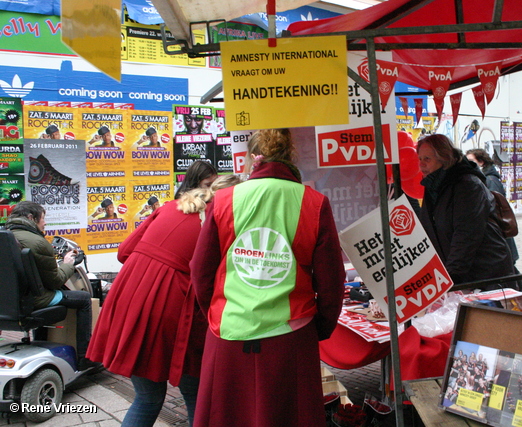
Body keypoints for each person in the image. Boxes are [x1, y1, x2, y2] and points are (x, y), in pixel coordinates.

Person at [190, 128, 345, 427]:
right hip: (291, 337)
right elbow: (330, 281)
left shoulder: (224, 200)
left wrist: (216, 312)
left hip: (229, 333)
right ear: (291, 156)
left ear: (251, 159)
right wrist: (321, 328)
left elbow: (201, 270)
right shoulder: (312, 202)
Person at [86, 174, 242, 427]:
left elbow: (124, 251)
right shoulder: (220, 223)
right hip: (171, 304)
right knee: (196, 392)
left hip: (127, 296)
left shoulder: (171, 206)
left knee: (147, 397)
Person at [5, 201, 98, 371]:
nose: (45, 223)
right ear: (31, 218)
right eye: (43, 218)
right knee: (84, 299)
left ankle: (40, 343)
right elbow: (55, 281)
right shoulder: (38, 242)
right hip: (32, 301)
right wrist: (68, 263)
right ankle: (85, 357)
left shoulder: (6, 236)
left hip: (7, 302)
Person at [417, 134, 514, 289]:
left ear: (444, 158)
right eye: (420, 159)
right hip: (459, 275)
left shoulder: (468, 184)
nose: (421, 165)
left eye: (427, 159)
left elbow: (466, 235)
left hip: (485, 275)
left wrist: (451, 280)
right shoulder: (433, 186)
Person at [466, 148, 521, 286]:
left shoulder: (489, 180)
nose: (468, 165)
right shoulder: (484, 178)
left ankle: (521, 298)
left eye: (472, 161)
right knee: (510, 274)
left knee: (509, 275)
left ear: (481, 162)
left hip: (499, 237)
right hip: (498, 239)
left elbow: (491, 208)